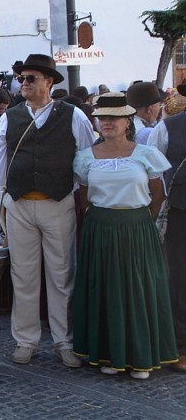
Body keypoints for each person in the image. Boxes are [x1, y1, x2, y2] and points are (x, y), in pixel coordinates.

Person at [0, 54, 95, 368]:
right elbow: (0, 157)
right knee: (22, 275)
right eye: (21, 79)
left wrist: (78, 193)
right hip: (20, 204)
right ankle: (26, 340)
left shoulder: (73, 115)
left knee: (62, 275)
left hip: (58, 203)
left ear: (49, 81)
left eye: (31, 78)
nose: (24, 83)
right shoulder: (10, 117)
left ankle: (64, 341)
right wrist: (1, 198)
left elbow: (86, 157)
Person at [73, 93, 178, 379]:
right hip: (100, 228)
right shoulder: (86, 158)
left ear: (127, 122)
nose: (107, 122)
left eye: (114, 118)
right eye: (102, 118)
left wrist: (140, 220)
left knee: (139, 289)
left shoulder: (145, 154)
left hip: (136, 227)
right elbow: (84, 196)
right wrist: (103, 220)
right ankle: (109, 353)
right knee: (105, 289)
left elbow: (158, 194)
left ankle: (139, 356)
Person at [148, 81, 186, 373]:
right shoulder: (167, 128)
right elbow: (152, 172)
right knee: (180, 281)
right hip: (180, 213)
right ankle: (181, 346)